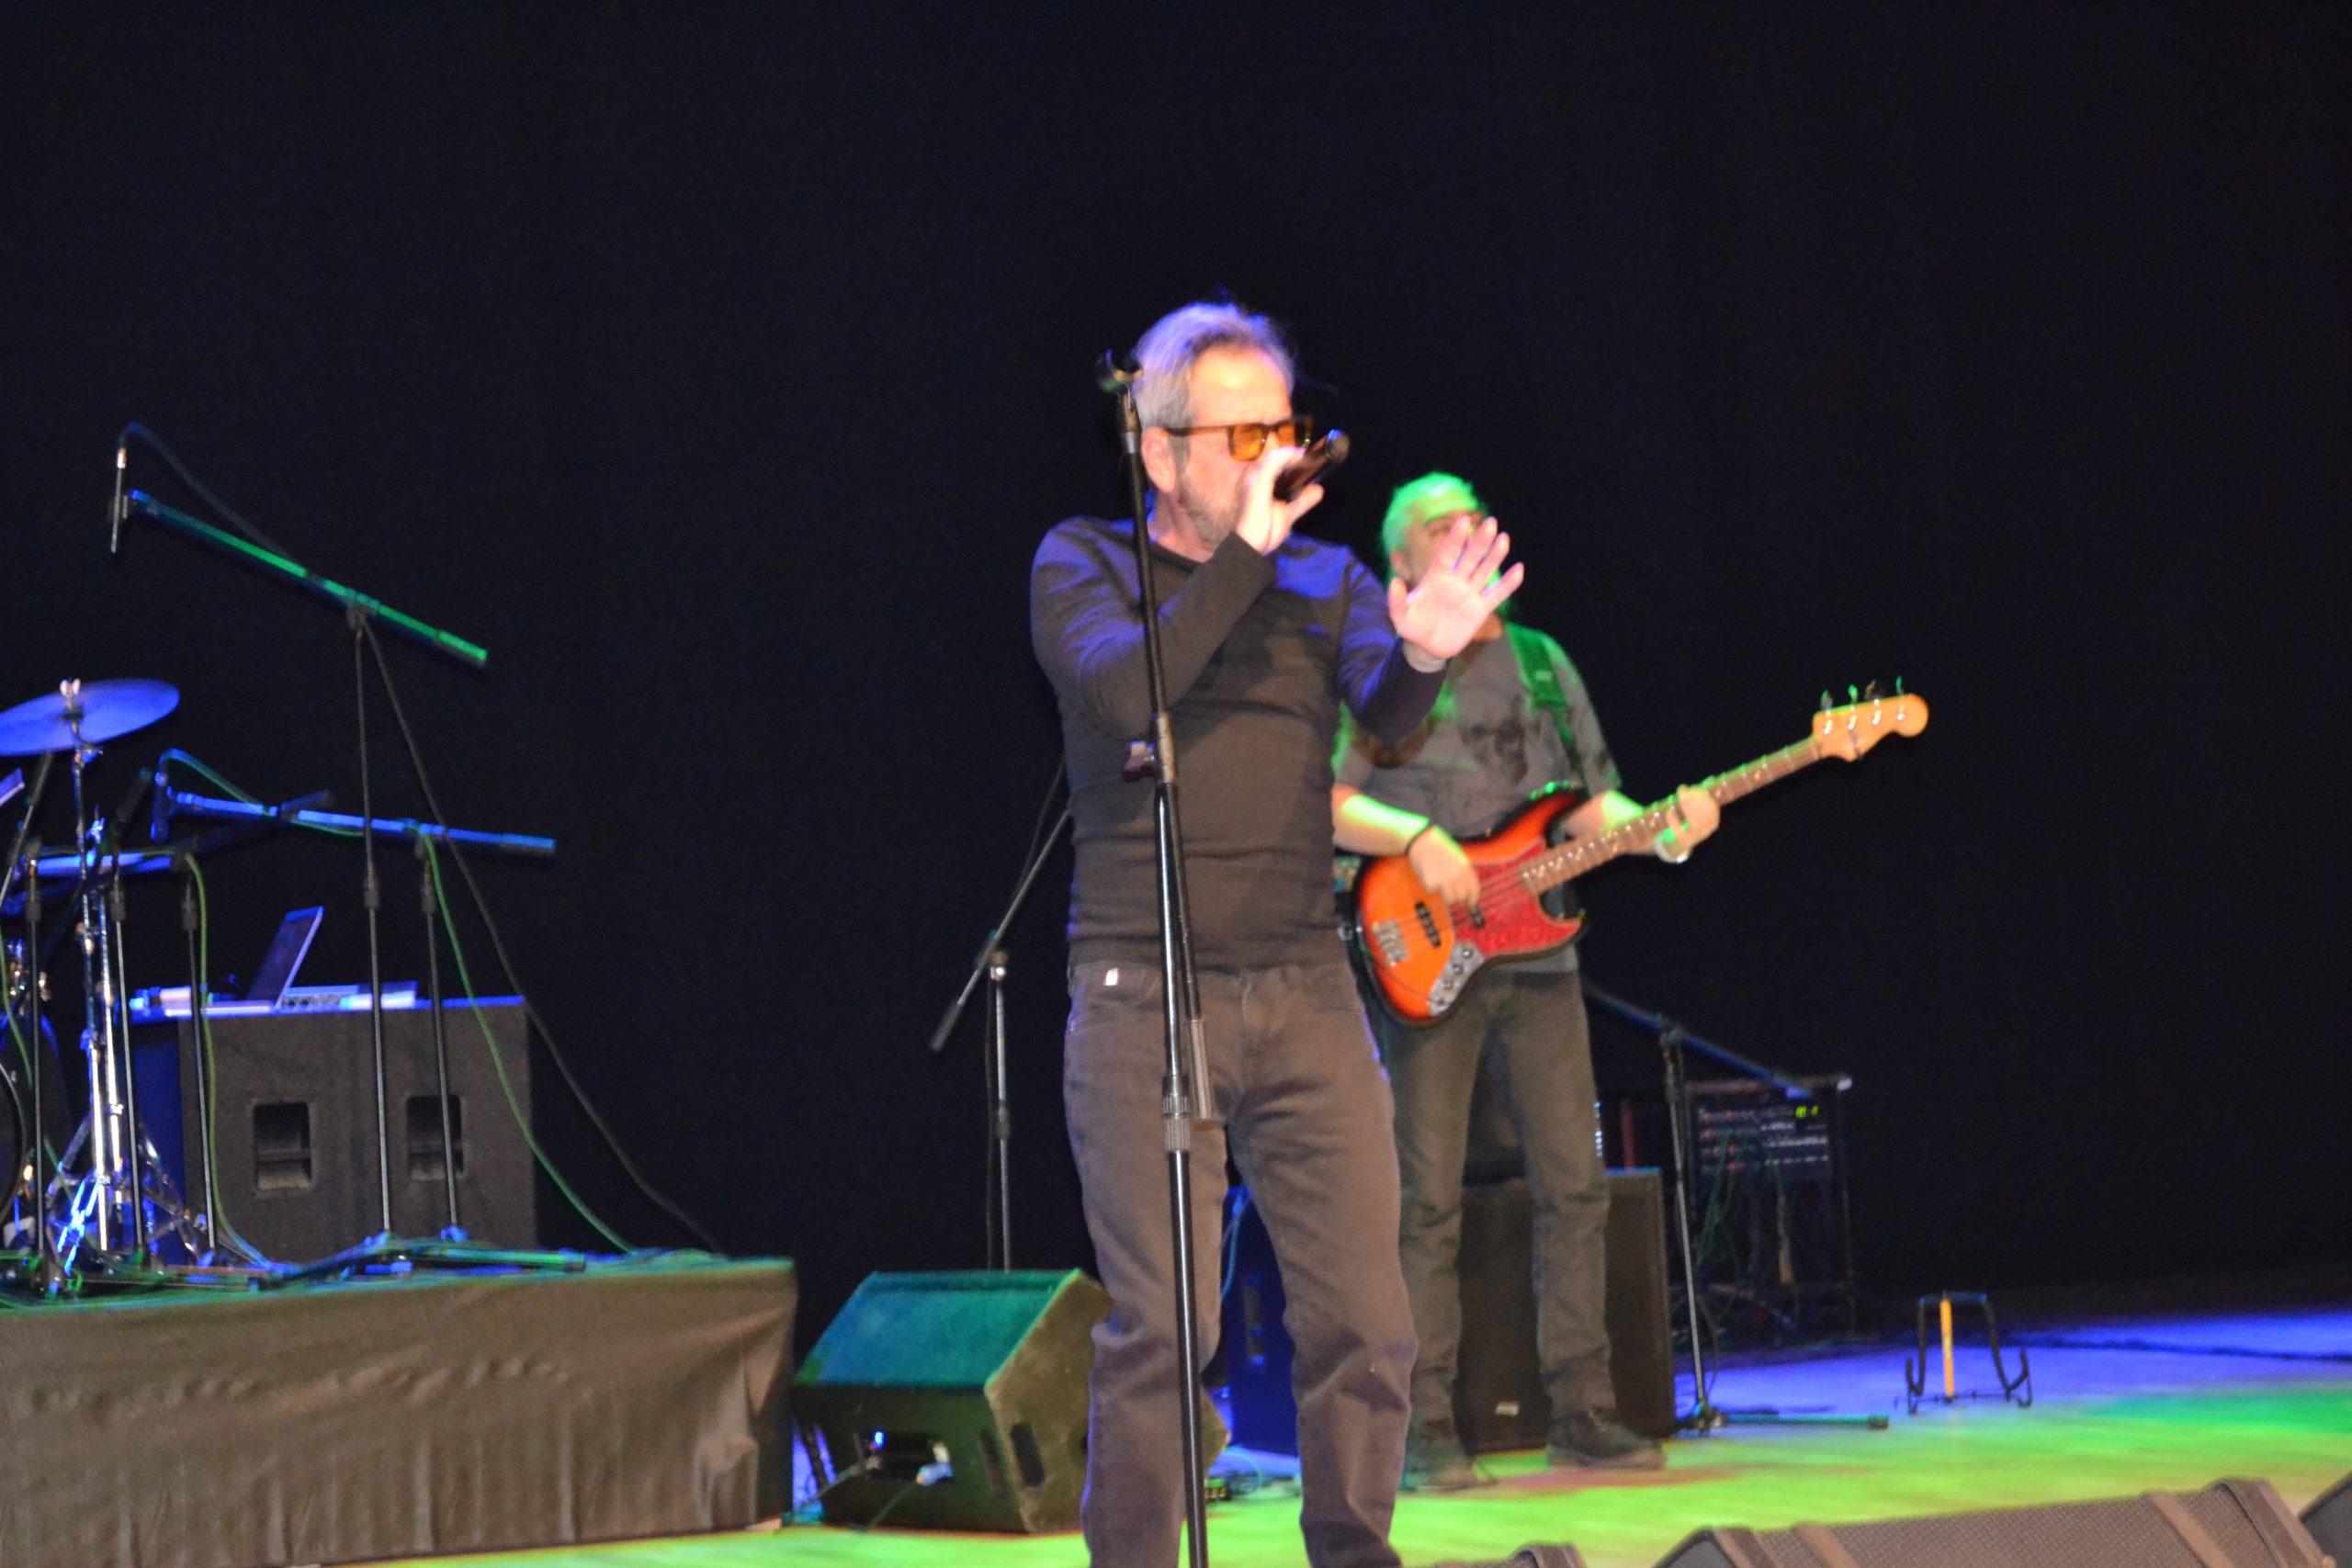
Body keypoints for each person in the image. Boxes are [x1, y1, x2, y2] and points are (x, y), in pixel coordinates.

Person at [1030, 306, 1521, 1567]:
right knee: (1163, 1329)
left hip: (1304, 989)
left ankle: (1354, 1551)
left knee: (1368, 1315)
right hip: (1145, 993)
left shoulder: (1329, 577)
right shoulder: (1083, 563)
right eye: (1241, 434)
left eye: (1284, 428)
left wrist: (1423, 654)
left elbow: (1388, 711)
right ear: (1159, 451)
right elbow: (1130, 688)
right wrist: (1246, 554)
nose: (1275, 455)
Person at [1330, 471, 1720, 1488]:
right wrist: (1415, 837)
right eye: (1438, 525)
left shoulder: (1542, 661)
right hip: (1428, 962)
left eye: (1473, 516)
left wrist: (1663, 831)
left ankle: (1584, 1409)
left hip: (1541, 961)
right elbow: (1327, 802)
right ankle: (1420, 1427)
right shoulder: (1384, 665)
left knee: (1574, 1188)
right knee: (1425, 1202)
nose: (1463, 529)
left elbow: (1590, 806)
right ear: (1401, 564)